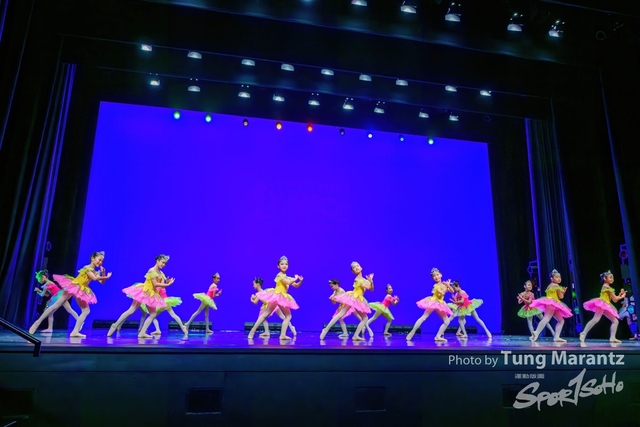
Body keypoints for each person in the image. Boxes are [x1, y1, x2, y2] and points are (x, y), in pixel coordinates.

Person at [29, 251, 112, 337]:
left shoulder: (94, 271)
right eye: (99, 260)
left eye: (102, 261)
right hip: (74, 286)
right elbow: (94, 278)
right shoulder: (87, 268)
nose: (100, 262)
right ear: (92, 258)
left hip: (81, 289)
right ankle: (37, 322)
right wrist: (107, 276)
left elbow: (101, 282)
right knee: (56, 305)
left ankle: (75, 331)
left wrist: (103, 273)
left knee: (86, 311)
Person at [247, 256, 303, 340]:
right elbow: (288, 282)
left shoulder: (286, 277)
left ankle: (282, 335)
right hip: (277, 296)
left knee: (288, 316)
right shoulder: (279, 275)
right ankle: (252, 331)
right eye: (282, 264)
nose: (284, 265)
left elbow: (296, 286)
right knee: (265, 315)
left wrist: (301, 281)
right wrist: (295, 278)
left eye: (286, 264)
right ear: (278, 266)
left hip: (282, 297)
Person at [319, 262, 374, 341]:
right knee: (340, 314)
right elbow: (368, 287)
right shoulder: (357, 279)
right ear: (353, 271)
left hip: (359, 299)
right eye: (354, 267)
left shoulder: (364, 280)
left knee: (364, 318)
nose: (356, 268)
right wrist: (370, 281)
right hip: (353, 298)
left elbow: (371, 289)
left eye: (357, 266)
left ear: (361, 267)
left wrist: (371, 281)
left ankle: (355, 336)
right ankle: (325, 329)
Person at [406, 268, 453, 342]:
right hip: (433, 302)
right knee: (424, 317)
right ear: (432, 278)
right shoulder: (435, 286)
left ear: (441, 275)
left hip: (440, 303)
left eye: (437, 275)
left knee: (447, 321)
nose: (436, 277)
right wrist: (446, 286)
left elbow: (452, 291)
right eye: (434, 276)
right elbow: (442, 293)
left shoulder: (444, 284)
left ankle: (438, 336)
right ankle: (412, 331)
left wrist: (448, 286)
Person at [580, 270, 626, 343]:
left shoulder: (608, 287)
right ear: (605, 278)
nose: (612, 279)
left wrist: (620, 295)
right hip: (602, 304)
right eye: (610, 277)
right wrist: (622, 296)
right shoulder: (606, 286)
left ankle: (612, 337)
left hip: (606, 305)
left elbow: (614, 300)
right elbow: (615, 298)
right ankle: (583, 333)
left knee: (615, 321)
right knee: (596, 319)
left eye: (613, 278)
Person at [529, 269, 573, 342]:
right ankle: (536, 332)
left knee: (561, 320)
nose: (559, 279)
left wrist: (562, 292)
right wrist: (563, 292)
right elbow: (561, 296)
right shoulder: (556, 285)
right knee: (547, 318)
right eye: (556, 277)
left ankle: (556, 337)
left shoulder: (550, 285)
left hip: (551, 303)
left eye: (559, 277)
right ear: (552, 279)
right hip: (552, 303)